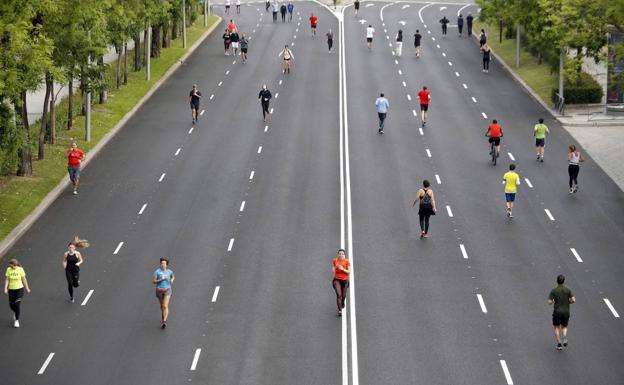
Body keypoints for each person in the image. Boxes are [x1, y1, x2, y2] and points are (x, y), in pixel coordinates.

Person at [548, 274, 576, 350]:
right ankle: (564, 336)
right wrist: (568, 302)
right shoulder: (568, 290)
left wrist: (553, 300)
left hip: (557, 312)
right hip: (566, 312)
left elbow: (549, 302)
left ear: (557, 281)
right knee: (564, 326)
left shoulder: (554, 291)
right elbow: (573, 300)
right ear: (564, 281)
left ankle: (559, 344)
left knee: (556, 327)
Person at [4, 259, 31, 328]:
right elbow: (7, 279)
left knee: (17, 304)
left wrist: (27, 288)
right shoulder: (8, 269)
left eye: (15, 266)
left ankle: (16, 320)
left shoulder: (20, 269)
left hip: (19, 289)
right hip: (11, 289)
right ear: (10, 265)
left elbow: (24, 279)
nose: (14, 267)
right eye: (13, 266)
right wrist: (5, 288)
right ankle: (15, 312)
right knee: (11, 304)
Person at [62, 237, 89, 303]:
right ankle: (71, 297)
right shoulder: (66, 254)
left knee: (75, 285)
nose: (70, 248)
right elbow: (64, 261)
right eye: (69, 247)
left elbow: (81, 260)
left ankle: (77, 282)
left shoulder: (77, 253)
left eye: (72, 247)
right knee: (70, 284)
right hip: (68, 271)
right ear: (68, 248)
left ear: (74, 248)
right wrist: (64, 266)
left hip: (75, 271)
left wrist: (78, 263)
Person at [153, 258, 174, 329]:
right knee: (162, 306)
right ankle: (163, 314)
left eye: (164, 263)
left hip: (167, 290)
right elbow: (153, 282)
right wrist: (160, 280)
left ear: (166, 265)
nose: (163, 264)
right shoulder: (157, 272)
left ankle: (164, 321)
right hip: (159, 290)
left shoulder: (169, 272)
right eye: (161, 263)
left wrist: (172, 279)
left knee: (165, 305)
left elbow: (173, 276)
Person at [332, 249, 350, 316]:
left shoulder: (347, 261)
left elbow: (349, 271)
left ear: (344, 255)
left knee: (343, 295)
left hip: (345, 281)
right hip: (337, 280)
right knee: (339, 295)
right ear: (338, 254)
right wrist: (334, 272)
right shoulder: (335, 260)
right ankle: (339, 310)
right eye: (340, 254)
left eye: (342, 254)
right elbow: (333, 267)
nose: (341, 255)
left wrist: (343, 269)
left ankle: (342, 302)